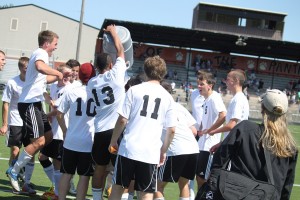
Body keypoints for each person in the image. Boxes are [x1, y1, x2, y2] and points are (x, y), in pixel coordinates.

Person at [208, 89, 298, 200]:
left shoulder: (245, 129)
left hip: (238, 195)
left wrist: (213, 186)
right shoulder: (290, 146)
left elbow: (219, 160)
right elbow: (286, 187)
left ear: (262, 109)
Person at [108, 56, 177, 200]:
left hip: (129, 148)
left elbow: (122, 120)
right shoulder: (168, 97)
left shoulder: (134, 90)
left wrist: (113, 141)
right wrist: (163, 151)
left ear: (145, 71)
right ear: (164, 73)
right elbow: (171, 130)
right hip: (150, 152)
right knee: (146, 193)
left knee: (118, 188)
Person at [6, 30, 64, 193]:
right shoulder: (41, 53)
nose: (55, 47)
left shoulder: (40, 56)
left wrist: (61, 75)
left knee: (48, 136)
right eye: (55, 44)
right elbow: (41, 67)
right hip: (30, 104)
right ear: (47, 43)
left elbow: (44, 78)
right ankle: (14, 170)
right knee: (38, 142)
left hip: (35, 103)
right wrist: (57, 72)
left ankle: (31, 167)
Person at [88, 24, 127, 200]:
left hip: (100, 129)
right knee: (119, 170)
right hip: (116, 131)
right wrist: (113, 33)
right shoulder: (116, 75)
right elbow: (121, 51)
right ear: (111, 65)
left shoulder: (91, 83)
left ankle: (96, 198)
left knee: (100, 168)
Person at [56, 63, 96, 200]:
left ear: (79, 75)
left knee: (66, 174)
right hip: (89, 142)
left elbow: (59, 113)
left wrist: (65, 130)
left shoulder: (71, 91)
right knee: (84, 176)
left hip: (71, 140)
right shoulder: (98, 93)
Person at [154, 81, 199, 200]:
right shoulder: (179, 106)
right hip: (193, 149)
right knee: (184, 184)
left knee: (157, 186)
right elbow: (194, 131)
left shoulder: (159, 107)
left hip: (175, 150)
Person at [0, 57, 36, 195]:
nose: (29, 71)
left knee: (30, 152)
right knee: (15, 151)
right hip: (15, 121)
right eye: (27, 68)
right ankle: (13, 178)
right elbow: (6, 103)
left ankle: (26, 183)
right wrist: (4, 125)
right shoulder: (12, 82)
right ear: (21, 68)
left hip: (29, 121)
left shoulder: (32, 82)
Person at [38, 64, 73, 200]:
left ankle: (58, 193)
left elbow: (57, 110)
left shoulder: (69, 89)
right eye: (65, 74)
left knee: (57, 163)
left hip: (61, 131)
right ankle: (58, 188)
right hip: (53, 130)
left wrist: (44, 116)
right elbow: (45, 93)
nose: (68, 77)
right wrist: (47, 98)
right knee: (43, 157)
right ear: (58, 74)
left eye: (70, 75)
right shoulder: (54, 86)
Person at [196, 72, 226, 189]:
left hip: (209, 146)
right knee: (199, 178)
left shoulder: (214, 97)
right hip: (202, 145)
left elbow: (223, 115)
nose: (199, 86)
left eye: (201, 84)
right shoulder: (207, 100)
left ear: (210, 85)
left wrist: (210, 130)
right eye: (198, 84)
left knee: (205, 180)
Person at [209, 69, 249, 153]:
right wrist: (221, 143)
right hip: (232, 141)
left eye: (227, 79)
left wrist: (213, 131)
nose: (225, 81)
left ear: (236, 81)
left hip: (233, 145)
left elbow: (231, 126)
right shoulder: (238, 98)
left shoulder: (238, 99)